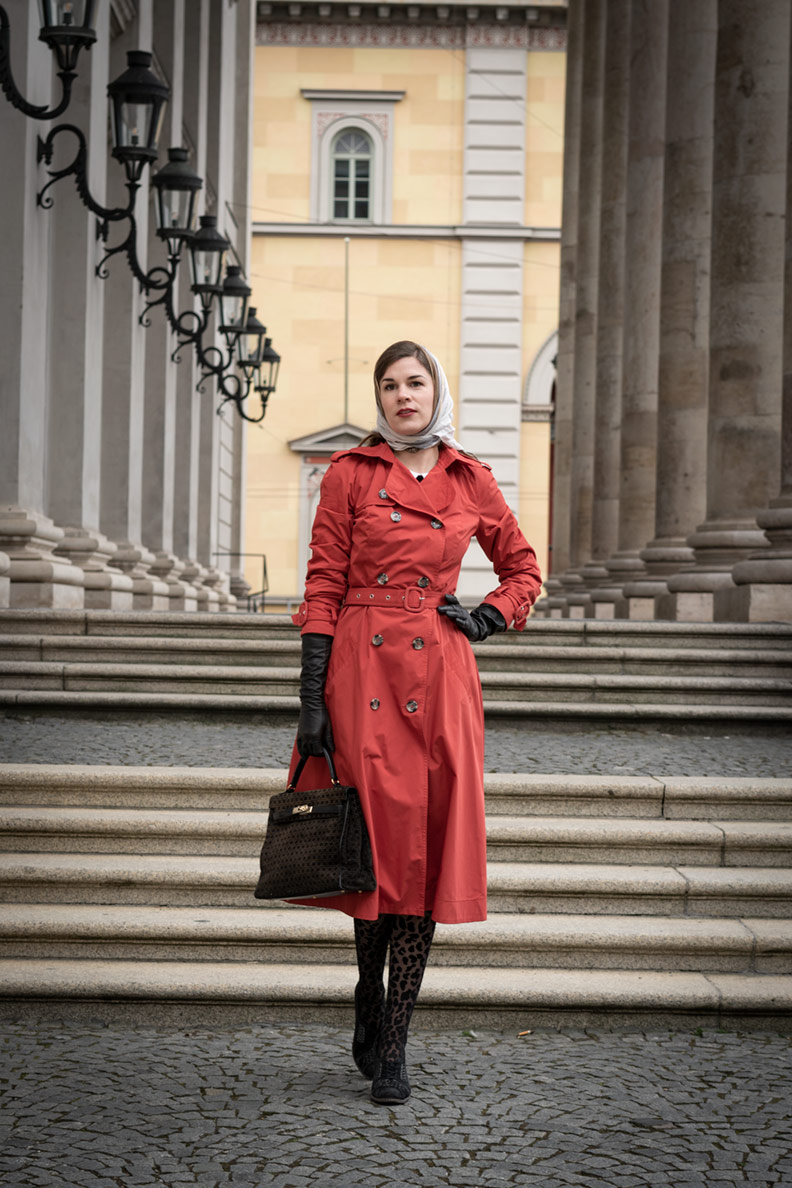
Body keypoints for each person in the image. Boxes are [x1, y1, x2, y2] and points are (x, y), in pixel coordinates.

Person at [288, 340, 542, 1104]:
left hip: (438, 676)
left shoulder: (472, 479)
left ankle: (394, 1038)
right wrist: (309, 697)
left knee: (421, 860)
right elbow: (324, 583)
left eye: (416, 383)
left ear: (438, 393)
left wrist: (490, 619)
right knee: (375, 850)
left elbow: (524, 567)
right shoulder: (349, 474)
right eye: (391, 385)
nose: (405, 396)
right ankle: (370, 988)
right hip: (360, 673)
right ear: (380, 398)